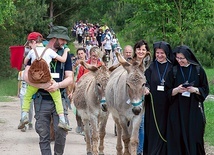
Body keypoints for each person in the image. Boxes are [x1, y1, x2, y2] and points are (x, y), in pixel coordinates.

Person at [24, 26, 73, 155]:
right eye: (62, 40)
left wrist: (58, 85)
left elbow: (70, 78)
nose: (64, 43)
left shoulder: (65, 54)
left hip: (59, 98)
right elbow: (26, 76)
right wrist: (42, 86)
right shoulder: (37, 52)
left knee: (61, 132)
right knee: (43, 133)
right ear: (55, 38)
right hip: (41, 99)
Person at [18, 32, 71, 131]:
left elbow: (25, 62)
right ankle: (62, 120)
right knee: (57, 99)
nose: (29, 45)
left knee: (27, 97)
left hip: (35, 81)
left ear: (33, 42)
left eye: (29, 43)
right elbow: (63, 60)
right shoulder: (49, 51)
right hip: (47, 81)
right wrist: (66, 51)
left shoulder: (32, 51)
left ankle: (24, 116)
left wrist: (31, 53)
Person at [165, 45, 209, 155]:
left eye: (182, 58)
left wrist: (194, 90)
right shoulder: (173, 70)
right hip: (177, 111)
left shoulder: (198, 70)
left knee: (195, 137)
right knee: (177, 137)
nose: (179, 61)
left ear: (188, 57)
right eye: (177, 58)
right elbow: (167, 91)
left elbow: (205, 89)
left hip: (193, 110)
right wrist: (177, 90)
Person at [143, 41, 174, 155]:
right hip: (153, 105)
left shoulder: (172, 67)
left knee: (166, 128)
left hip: (167, 104)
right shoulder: (151, 67)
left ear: (167, 53)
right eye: (157, 53)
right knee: (152, 129)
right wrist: (146, 88)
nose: (159, 55)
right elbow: (146, 82)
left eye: (162, 53)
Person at [132, 40, 151, 155]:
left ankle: (139, 151)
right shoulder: (130, 64)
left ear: (147, 51)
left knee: (141, 125)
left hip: (144, 99)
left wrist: (147, 88)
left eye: (143, 49)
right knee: (132, 125)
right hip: (132, 99)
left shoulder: (149, 65)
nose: (141, 51)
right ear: (135, 50)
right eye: (139, 49)